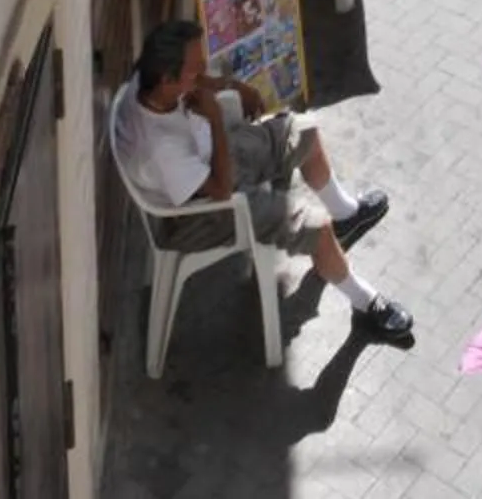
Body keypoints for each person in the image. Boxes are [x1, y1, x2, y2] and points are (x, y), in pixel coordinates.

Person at [113, 20, 414, 346]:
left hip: (204, 164)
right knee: (317, 227)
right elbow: (221, 190)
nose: (201, 76)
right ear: (169, 80)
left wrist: (228, 85)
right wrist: (214, 118)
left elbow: (199, 85)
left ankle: (345, 214)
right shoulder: (161, 149)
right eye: (194, 72)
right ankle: (365, 304)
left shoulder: (147, 80)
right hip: (206, 210)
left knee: (305, 134)